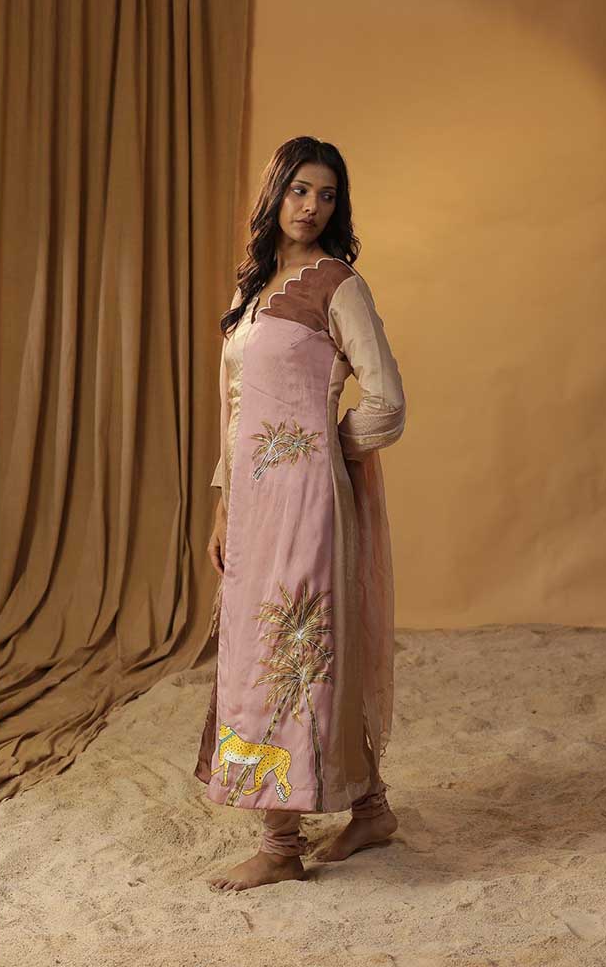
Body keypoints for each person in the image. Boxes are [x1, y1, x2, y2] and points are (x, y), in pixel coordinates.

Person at [194, 136, 406, 891]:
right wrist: (223, 508)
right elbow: (234, 411)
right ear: (275, 192)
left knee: (290, 657)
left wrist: (325, 450)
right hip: (252, 509)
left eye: (327, 195)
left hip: (308, 504)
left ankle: (280, 844)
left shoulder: (338, 285)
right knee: (264, 650)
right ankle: (371, 809)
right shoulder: (249, 291)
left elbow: (386, 402)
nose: (312, 207)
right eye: (300, 190)